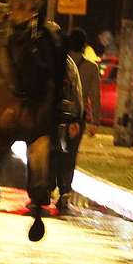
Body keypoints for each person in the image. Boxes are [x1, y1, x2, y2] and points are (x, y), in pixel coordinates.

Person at [54, 28, 101, 208]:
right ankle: (65, 190)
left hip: (57, 116)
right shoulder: (91, 68)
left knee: (55, 151)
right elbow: (95, 96)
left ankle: (51, 185)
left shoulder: (60, 63)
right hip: (76, 118)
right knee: (70, 154)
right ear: (84, 46)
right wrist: (95, 121)